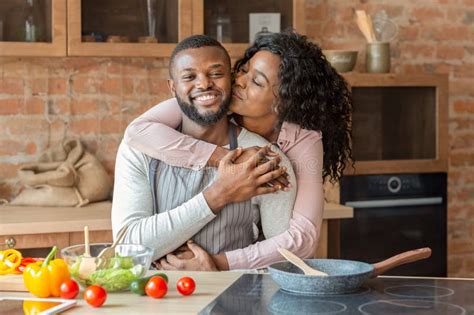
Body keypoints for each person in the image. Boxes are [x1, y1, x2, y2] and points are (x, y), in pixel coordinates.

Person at [125, 30, 353, 270]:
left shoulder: (302, 140)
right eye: (244, 69)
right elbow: (137, 132)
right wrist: (227, 159)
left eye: (256, 81)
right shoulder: (210, 103)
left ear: (284, 101)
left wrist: (218, 263)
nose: (239, 81)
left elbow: (302, 239)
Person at [112, 35, 297, 271]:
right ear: (173, 87)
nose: (204, 84)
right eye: (189, 77)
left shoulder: (264, 158)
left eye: (216, 73)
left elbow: (284, 260)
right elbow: (127, 246)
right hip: (154, 300)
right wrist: (218, 195)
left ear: (231, 79)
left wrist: (220, 268)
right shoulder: (140, 149)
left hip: (233, 300)